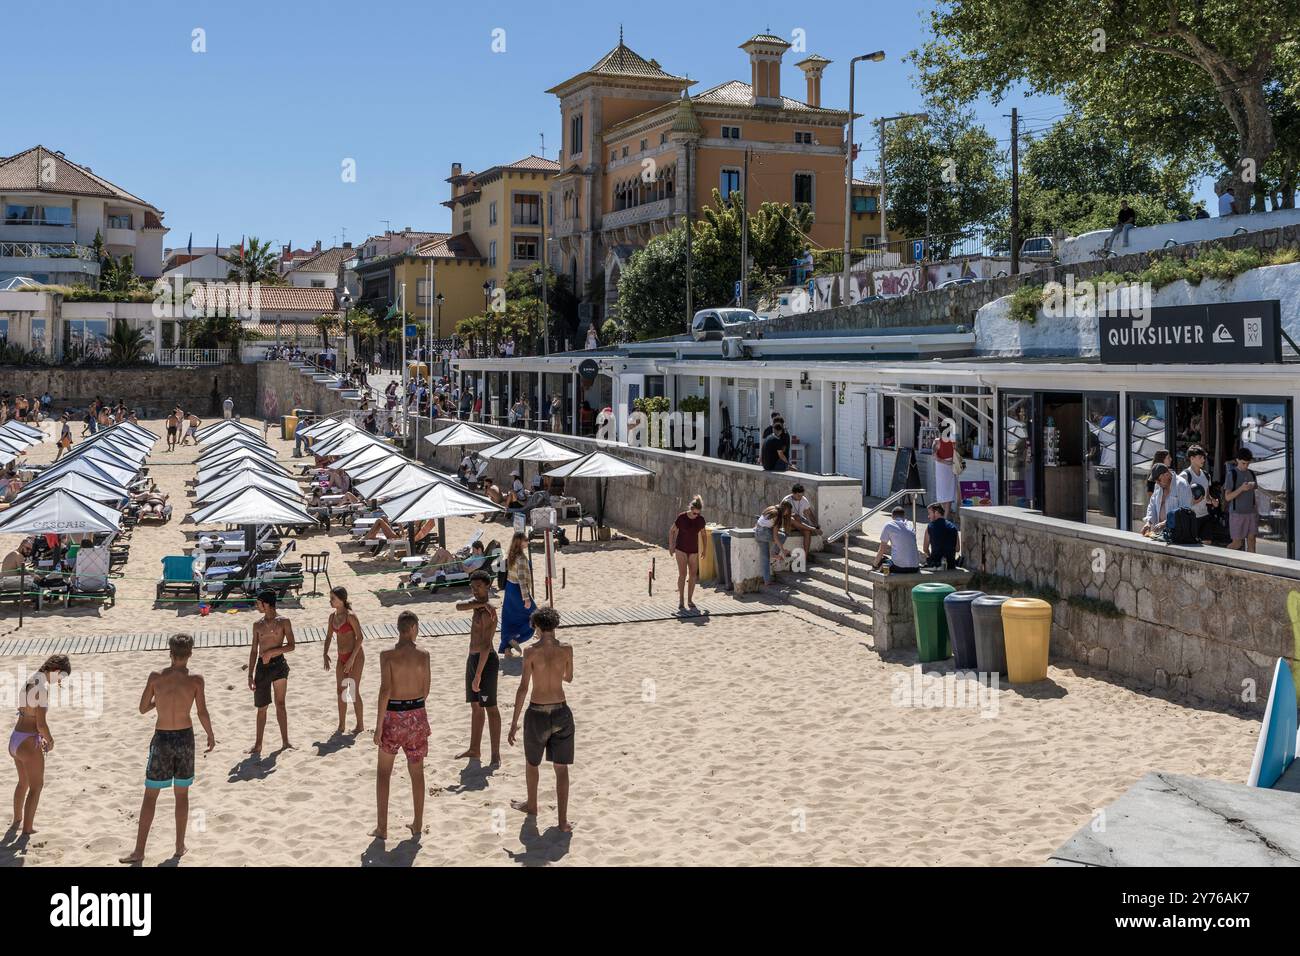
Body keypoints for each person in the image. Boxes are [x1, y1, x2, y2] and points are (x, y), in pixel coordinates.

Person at [119, 634, 216, 864]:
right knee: (181, 796)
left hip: (162, 739)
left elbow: (143, 708)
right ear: (190, 653)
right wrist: (211, 734)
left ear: (170, 653)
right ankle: (179, 846)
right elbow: (202, 712)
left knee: (150, 796)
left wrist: (158, 702)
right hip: (184, 738)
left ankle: (139, 851)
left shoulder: (156, 677)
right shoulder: (196, 680)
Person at [508, 606, 575, 833]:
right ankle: (563, 821)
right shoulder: (567, 649)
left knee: (532, 763)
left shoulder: (530, 652)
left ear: (537, 626)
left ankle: (532, 804)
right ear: (555, 626)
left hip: (537, 712)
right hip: (561, 711)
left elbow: (523, 688)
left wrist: (514, 721)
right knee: (561, 768)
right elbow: (569, 677)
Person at [374, 610, 431, 840]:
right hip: (417, 714)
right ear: (414, 628)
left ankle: (382, 828)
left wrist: (378, 725)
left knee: (383, 772)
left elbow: (385, 690)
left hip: (394, 715)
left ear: (398, 629)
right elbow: (426, 689)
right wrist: (414, 708)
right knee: (416, 772)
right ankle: (417, 824)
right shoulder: (424, 655)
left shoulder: (387, 655)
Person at [9, 655, 71, 836]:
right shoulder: (42, 688)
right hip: (28, 742)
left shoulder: (30, 680)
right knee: (36, 786)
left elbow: (26, 712)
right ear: (56, 670)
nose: (59, 682)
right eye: (61, 678)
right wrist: (50, 741)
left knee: (23, 783)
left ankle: (17, 820)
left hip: (15, 738)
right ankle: (27, 829)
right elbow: (41, 725)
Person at [454, 571, 502, 765]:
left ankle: (495, 753)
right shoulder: (478, 607)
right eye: (472, 587)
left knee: (490, 707)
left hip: (486, 661)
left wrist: (478, 675)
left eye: (479, 587)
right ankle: (474, 749)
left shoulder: (490, 614)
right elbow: (458, 606)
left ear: (488, 587)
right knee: (475, 706)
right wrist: (481, 603)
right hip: (473, 659)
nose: (474, 590)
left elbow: (485, 645)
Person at [248, 590, 294, 755]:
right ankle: (258, 745)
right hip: (262, 668)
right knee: (262, 707)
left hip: (279, 665)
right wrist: (249, 675)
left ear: (266, 604)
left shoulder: (284, 622)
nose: (256, 605)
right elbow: (254, 651)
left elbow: (291, 646)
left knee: (280, 704)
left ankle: (286, 742)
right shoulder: (257, 625)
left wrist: (271, 653)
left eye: (258, 603)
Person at [323, 587, 365, 736]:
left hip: (355, 656)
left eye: (333, 598)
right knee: (341, 691)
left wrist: (352, 660)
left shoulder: (350, 616)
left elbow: (360, 638)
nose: (331, 600)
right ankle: (341, 725)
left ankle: (360, 725)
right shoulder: (332, 617)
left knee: (352, 690)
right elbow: (328, 636)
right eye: (330, 598)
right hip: (341, 657)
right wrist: (325, 653)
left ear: (342, 600)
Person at [498, 532, 535, 657]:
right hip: (518, 591)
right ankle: (518, 640)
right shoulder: (521, 558)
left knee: (509, 619)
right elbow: (522, 579)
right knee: (536, 616)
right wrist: (526, 598)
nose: (527, 542)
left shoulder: (511, 555)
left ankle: (507, 649)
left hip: (509, 589)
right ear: (520, 542)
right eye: (526, 540)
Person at [668, 495, 705, 614]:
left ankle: (690, 600)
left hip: (694, 550)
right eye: (694, 513)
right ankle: (681, 600)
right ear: (691, 509)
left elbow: (704, 535)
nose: (696, 516)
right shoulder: (682, 517)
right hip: (681, 549)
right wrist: (671, 545)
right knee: (682, 575)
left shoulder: (700, 520)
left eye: (698, 514)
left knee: (693, 575)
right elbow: (672, 531)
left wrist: (705, 549)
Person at [1141, 463, 1194, 537]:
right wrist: (1149, 522)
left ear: (1167, 474)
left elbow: (1185, 511)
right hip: (1160, 533)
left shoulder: (1182, 485)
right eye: (1156, 481)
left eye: (1159, 480)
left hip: (1177, 534)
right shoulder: (1158, 485)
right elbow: (1152, 505)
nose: (1157, 483)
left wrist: (1166, 522)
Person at [1223, 447, 1260, 552]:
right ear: (1237, 460)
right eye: (1243, 463)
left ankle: (1252, 567)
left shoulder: (1252, 474)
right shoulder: (1232, 474)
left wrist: (1257, 511)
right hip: (1237, 513)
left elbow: (1255, 494)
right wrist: (1241, 489)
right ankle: (1224, 559)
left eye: (1248, 464)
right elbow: (1227, 497)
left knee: (1252, 541)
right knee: (1237, 543)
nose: (1246, 466)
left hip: (1251, 513)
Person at [1180, 445, 1219, 542]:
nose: (1203, 460)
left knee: (1207, 543)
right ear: (1192, 458)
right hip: (1190, 517)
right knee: (1192, 546)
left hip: (1204, 515)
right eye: (1200, 457)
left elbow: (1206, 497)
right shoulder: (1184, 476)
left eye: (1204, 457)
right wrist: (1192, 501)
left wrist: (1213, 501)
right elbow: (1179, 499)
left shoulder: (1206, 475)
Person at [872, 506, 921, 574]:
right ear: (904, 516)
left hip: (899, 568)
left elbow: (882, 549)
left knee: (882, 560)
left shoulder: (889, 525)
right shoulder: (910, 525)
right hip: (915, 568)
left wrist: (874, 566)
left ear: (892, 516)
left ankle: (879, 578)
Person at [754, 502, 792, 584]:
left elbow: (761, 522)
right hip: (764, 533)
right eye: (788, 512)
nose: (787, 514)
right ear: (786, 509)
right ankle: (774, 553)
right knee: (782, 535)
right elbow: (775, 537)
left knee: (765, 558)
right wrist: (783, 550)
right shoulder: (778, 516)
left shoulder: (771, 508)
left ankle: (767, 581)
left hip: (757, 532)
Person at [781, 484, 821, 557]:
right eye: (799, 496)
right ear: (793, 493)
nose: (800, 498)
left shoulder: (803, 499)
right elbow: (783, 515)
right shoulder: (787, 500)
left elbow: (809, 513)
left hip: (799, 523)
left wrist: (816, 524)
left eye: (801, 495)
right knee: (794, 516)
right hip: (789, 524)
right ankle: (812, 529)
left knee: (807, 532)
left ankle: (805, 557)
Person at [923, 503, 961, 568]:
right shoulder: (953, 527)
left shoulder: (930, 527)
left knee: (919, 554)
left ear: (936, 513)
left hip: (936, 563)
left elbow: (925, 549)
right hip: (950, 564)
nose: (928, 516)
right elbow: (957, 549)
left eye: (929, 513)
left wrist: (930, 559)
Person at [932, 430, 958, 514]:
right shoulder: (938, 441)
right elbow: (935, 457)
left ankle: (946, 516)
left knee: (948, 492)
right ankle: (946, 515)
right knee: (944, 492)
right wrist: (947, 462)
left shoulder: (951, 441)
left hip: (948, 467)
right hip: (943, 467)